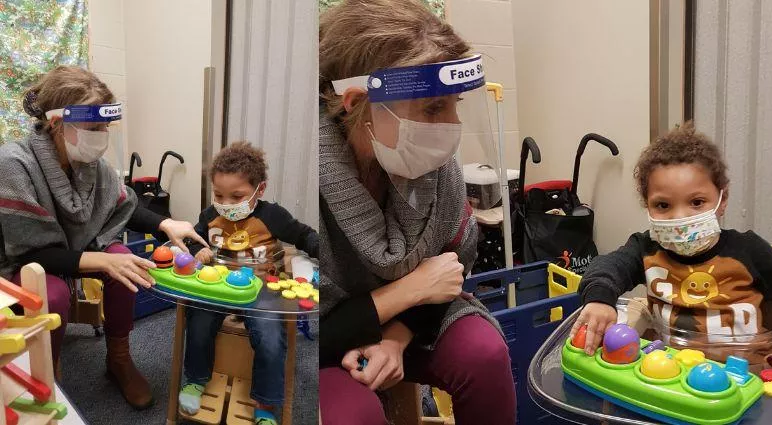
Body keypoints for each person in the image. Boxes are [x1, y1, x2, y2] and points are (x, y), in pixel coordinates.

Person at [318, 1, 516, 423]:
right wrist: (406, 291)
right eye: (432, 109)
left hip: (410, 320)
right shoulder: (298, 181)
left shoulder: (429, 166)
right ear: (356, 102)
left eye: (454, 104)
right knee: (352, 416)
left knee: (484, 354)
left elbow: (448, 269)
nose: (450, 125)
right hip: (319, 338)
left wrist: (394, 337)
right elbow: (297, 327)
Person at [0, 65, 208, 408]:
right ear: (56, 124)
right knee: (50, 295)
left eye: (105, 128)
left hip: (80, 248)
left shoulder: (90, 164)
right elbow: (27, 253)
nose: (102, 136)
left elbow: (119, 204)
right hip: (30, 260)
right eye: (93, 128)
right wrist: (102, 260)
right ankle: (45, 377)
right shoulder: (13, 164)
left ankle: (119, 360)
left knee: (125, 267)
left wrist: (164, 225)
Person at [571, 122, 772, 358]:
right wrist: (599, 300)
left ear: (722, 199)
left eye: (696, 202)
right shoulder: (645, 249)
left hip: (745, 380)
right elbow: (606, 267)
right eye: (663, 206)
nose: (680, 217)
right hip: (672, 377)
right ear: (647, 205)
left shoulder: (748, 251)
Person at [180, 142, 319, 425]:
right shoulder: (209, 216)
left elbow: (305, 236)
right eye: (219, 195)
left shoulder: (272, 215)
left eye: (237, 196)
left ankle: (265, 404)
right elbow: (190, 240)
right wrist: (198, 251)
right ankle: (195, 380)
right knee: (197, 321)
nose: (227, 204)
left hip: (262, 287)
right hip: (219, 285)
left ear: (260, 190)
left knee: (270, 336)